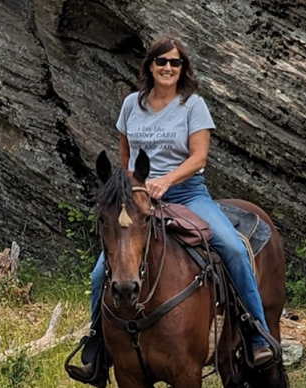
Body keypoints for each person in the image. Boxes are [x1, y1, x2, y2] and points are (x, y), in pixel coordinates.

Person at [74, 37, 273, 381]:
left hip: (188, 193)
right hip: (141, 198)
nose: (168, 68)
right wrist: (134, 188)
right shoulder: (130, 106)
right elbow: (126, 155)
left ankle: (256, 333)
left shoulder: (192, 105)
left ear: (183, 69)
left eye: (175, 63)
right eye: (161, 61)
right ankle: (98, 345)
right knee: (99, 274)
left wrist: (165, 181)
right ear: (150, 66)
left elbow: (199, 156)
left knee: (232, 247)